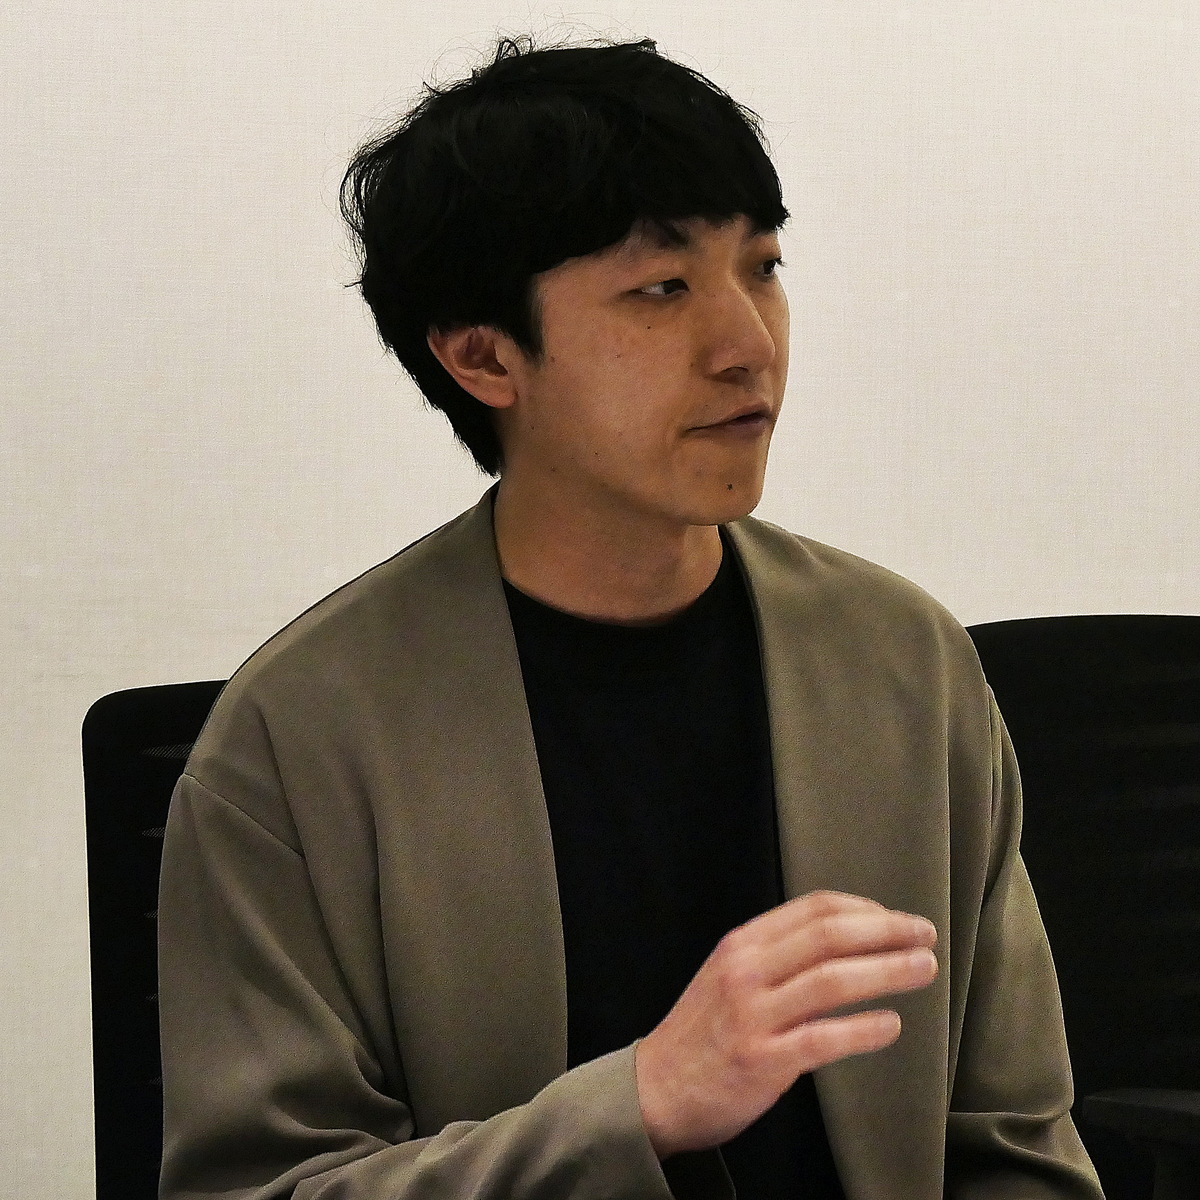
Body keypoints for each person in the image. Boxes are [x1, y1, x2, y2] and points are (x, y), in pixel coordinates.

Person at [157, 34, 1105, 1200]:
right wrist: (640, 1106)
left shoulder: (904, 660)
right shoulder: (297, 739)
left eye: (762, 267)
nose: (748, 347)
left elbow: (1015, 1147)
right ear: (484, 356)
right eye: (662, 289)